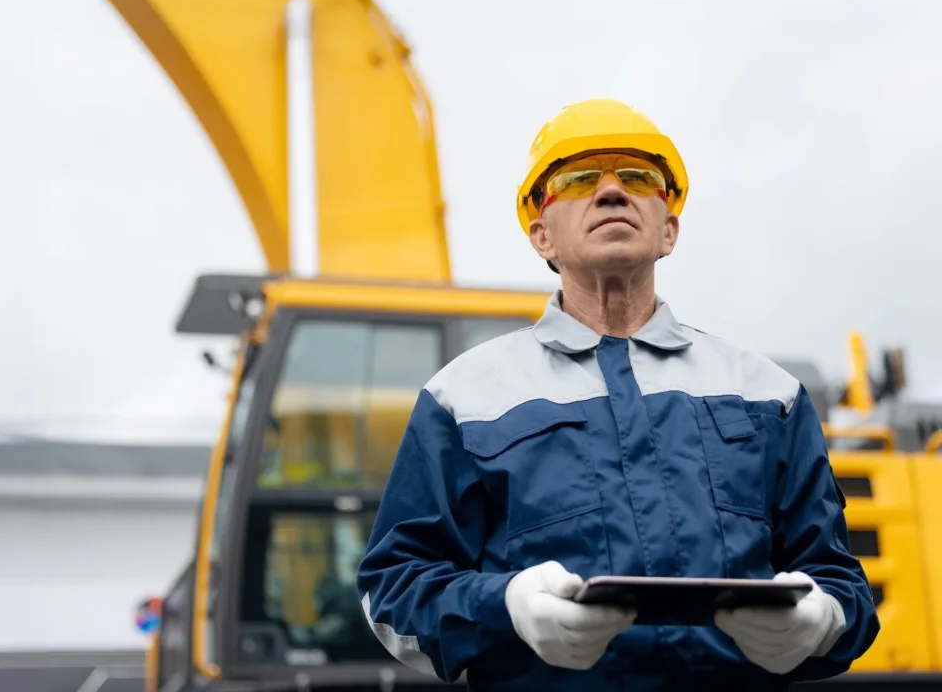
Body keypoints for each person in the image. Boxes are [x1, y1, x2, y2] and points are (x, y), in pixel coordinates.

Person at [356, 99, 880, 690]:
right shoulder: (463, 398)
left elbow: (842, 584)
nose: (610, 191)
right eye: (578, 179)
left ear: (669, 230)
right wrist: (504, 607)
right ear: (540, 236)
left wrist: (824, 617)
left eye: (636, 177)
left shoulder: (768, 393)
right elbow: (392, 590)